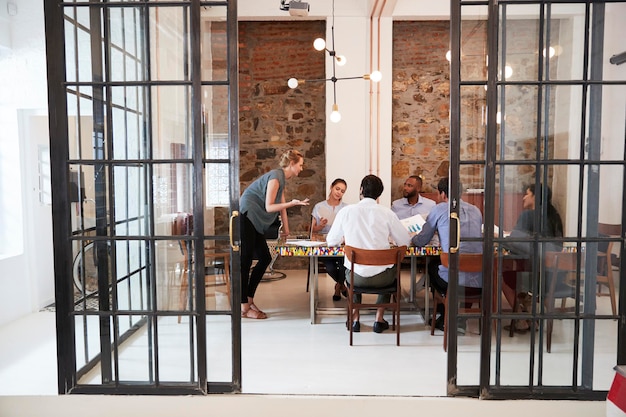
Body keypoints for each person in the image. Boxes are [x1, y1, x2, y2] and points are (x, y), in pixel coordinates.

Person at [326, 175, 411, 333]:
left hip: (356, 278)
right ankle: (379, 319)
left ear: (361, 190)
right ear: (379, 195)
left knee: (352, 269)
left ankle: (355, 318)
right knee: (390, 270)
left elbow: (331, 241)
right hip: (383, 279)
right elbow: (405, 240)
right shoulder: (387, 213)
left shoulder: (346, 211)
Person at [239, 150, 310, 319]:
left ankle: (249, 299)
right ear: (291, 164)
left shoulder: (281, 180)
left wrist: (287, 230)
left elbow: (282, 206)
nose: (301, 168)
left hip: (253, 219)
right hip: (247, 215)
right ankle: (244, 307)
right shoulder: (275, 176)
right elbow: (270, 207)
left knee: (265, 258)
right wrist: (293, 203)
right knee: (246, 260)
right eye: (300, 165)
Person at [411, 177, 483, 335]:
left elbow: (422, 240)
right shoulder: (476, 210)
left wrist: (412, 239)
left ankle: (445, 317)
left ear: (442, 194)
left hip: (454, 279)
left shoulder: (440, 209)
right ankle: (460, 320)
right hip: (479, 279)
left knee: (432, 267)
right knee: (463, 267)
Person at [501, 183, 563, 332]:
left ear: (535, 197)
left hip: (534, 276)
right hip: (554, 277)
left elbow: (516, 241)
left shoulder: (528, 215)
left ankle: (522, 320)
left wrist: (501, 239)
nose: (523, 197)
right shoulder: (554, 216)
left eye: (527, 194)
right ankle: (529, 314)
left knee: (501, 276)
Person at [311, 178, 349, 301]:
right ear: (331, 187)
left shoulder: (346, 208)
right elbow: (312, 230)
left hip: (340, 244)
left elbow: (349, 228)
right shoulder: (319, 206)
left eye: (342, 191)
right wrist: (320, 226)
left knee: (344, 266)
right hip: (324, 244)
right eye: (337, 189)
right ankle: (342, 286)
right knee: (331, 267)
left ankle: (338, 287)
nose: (339, 193)